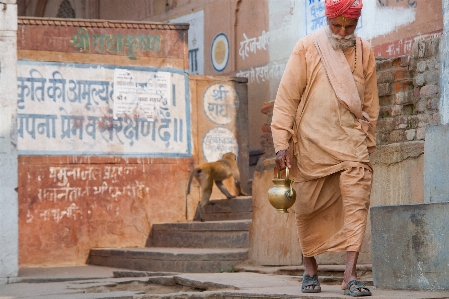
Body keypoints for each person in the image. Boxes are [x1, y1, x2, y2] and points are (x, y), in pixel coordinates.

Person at [271, 0, 379, 296]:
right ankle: (310, 268)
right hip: (310, 142)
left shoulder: (364, 51)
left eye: (350, 26)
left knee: (357, 199)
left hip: (350, 142)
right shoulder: (307, 47)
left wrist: (367, 141)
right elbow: (286, 99)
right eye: (336, 25)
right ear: (327, 19)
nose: (343, 32)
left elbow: (370, 101)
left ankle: (350, 274)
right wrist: (282, 144)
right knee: (305, 206)